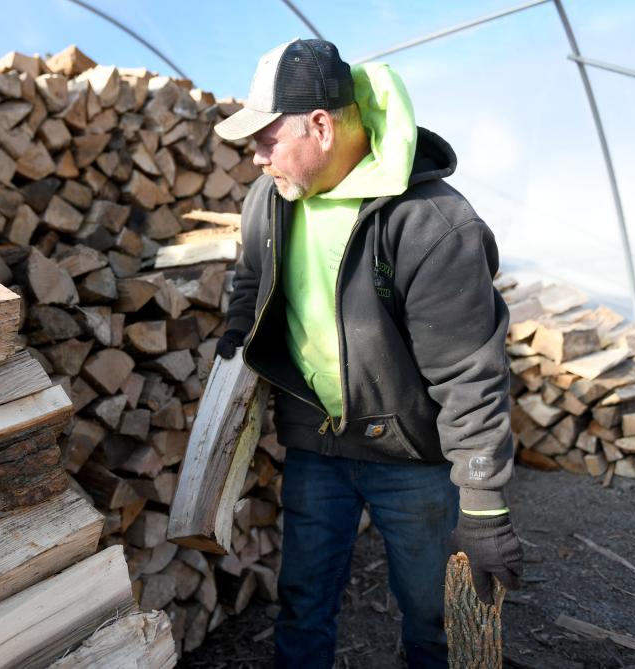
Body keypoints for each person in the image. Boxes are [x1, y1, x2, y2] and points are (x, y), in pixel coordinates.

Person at [213, 38, 523, 668]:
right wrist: (236, 336)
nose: (255, 156)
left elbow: (470, 375)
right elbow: (251, 277)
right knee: (302, 605)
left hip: (410, 460)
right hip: (314, 447)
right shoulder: (269, 201)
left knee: (432, 618)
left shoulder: (431, 224)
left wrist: (485, 509)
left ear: (321, 126)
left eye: (267, 139)